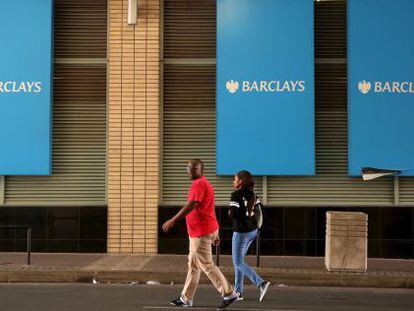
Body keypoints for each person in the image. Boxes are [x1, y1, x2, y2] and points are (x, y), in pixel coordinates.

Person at [162, 159, 238, 310]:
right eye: (188, 167)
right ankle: (186, 298)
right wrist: (215, 231)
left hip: (200, 232)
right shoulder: (203, 183)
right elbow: (209, 208)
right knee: (193, 264)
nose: (189, 170)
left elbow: (192, 205)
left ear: (201, 170)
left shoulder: (199, 185)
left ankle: (229, 293)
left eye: (193, 168)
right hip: (202, 230)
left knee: (207, 265)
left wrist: (173, 220)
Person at [229, 170, 270, 302]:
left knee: (237, 262)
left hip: (241, 233)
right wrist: (258, 228)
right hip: (252, 231)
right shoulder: (253, 194)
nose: (233, 181)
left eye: (235, 179)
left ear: (240, 181)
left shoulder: (235, 195)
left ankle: (261, 283)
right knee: (239, 262)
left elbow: (234, 214)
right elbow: (259, 213)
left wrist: (230, 212)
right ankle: (238, 292)